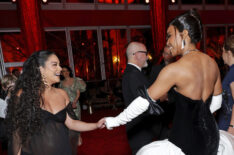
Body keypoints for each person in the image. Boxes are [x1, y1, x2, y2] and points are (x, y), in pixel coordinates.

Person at [105, 9, 223, 155]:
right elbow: (217, 103)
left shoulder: (175, 69)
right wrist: (201, 119)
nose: (167, 42)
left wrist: (114, 121)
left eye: (169, 36)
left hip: (186, 141)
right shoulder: (212, 64)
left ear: (184, 34)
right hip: (211, 137)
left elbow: (143, 102)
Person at [5, 50, 105, 155]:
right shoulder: (24, 95)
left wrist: (96, 125)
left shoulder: (62, 94)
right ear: (40, 69)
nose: (60, 68)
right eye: (55, 65)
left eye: (59, 65)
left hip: (64, 150)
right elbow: (17, 132)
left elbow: (72, 123)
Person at [121, 41, 161, 154]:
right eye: (145, 53)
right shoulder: (133, 74)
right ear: (136, 54)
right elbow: (145, 102)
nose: (148, 57)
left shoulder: (133, 72)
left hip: (140, 129)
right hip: (139, 130)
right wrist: (160, 97)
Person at [59, 65, 86, 154]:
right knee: (68, 121)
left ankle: (78, 137)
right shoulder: (61, 83)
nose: (65, 72)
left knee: (77, 120)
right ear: (61, 73)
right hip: (65, 105)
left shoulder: (75, 80)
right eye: (63, 71)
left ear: (69, 71)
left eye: (66, 71)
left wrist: (74, 102)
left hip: (75, 104)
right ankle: (70, 138)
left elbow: (78, 93)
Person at [218, 35, 234, 135]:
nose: (221, 55)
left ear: (228, 53)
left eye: (222, 51)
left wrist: (232, 127)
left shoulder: (233, 73)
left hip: (229, 127)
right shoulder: (231, 71)